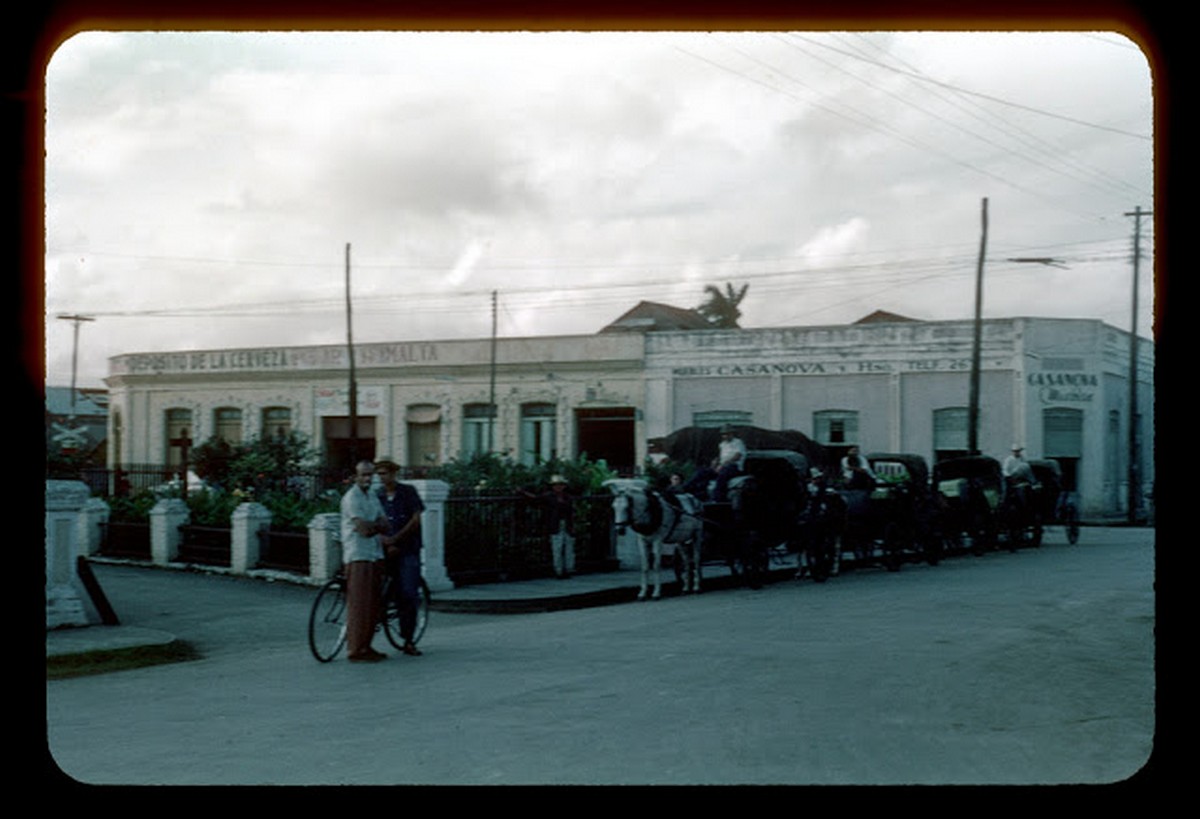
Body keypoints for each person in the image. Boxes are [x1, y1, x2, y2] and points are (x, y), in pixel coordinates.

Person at [340, 460, 390, 662]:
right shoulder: (352, 498)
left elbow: (385, 524)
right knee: (359, 604)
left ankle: (367, 646)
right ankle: (355, 649)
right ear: (355, 476)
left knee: (372, 604)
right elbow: (362, 530)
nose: (368, 478)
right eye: (363, 475)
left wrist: (373, 527)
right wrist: (373, 526)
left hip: (373, 553)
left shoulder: (372, 497)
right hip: (358, 555)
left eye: (371, 475)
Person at [375, 457, 426, 658]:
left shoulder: (408, 492)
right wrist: (384, 540)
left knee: (408, 593)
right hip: (384, 548)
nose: (381, 477)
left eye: (384, 473)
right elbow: (373, 520)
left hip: (407, 549)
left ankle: (408, 640)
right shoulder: (376, 495)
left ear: (393, 474)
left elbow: (415, 520)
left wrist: (396, 539)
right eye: (378, 474)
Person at [540, 475, 576, 578]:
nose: (558, 487)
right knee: (557, 547)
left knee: (569, 547)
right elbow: (536, 499)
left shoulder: (567, 497)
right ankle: (559, 570)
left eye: (560, 485)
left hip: (567, 524)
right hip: (556, 524)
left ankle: (569, 569)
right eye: (556, 485)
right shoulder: (548, 496)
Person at [713, 425, 747, 502]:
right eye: (723, 434)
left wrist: (723, 464)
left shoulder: (738, 442)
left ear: (732, 434)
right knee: (702, 472)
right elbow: (721, 456)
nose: (725, 436)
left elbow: (737, 456)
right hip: (722, 466)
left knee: (722, 475)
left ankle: (719, 498)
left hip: (734, 467)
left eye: (727, 434)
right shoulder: (722, 444)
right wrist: (716, 462)